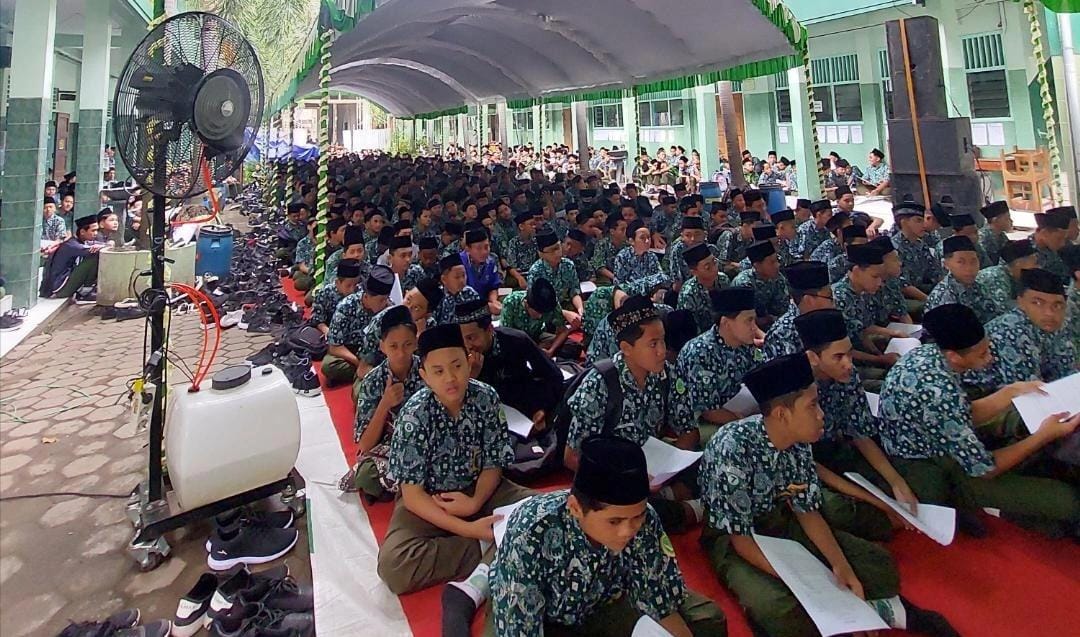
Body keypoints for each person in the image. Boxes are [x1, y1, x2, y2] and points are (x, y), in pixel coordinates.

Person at [698, 352, 956, 637]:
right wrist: (810, 582)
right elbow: (742, 541)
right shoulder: (731, 449)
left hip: (781, 521)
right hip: (734, 538)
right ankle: (878, 612)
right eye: (812, 405)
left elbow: (807, 511)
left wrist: (840, 566)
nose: (821, 414)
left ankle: (866, 611)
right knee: (777, 610)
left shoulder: (798, 441)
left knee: (878, 566)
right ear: (782, 414)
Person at [482, 436, 727, 637]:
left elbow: (659, 600)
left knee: (707, 619)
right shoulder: (531, 532)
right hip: (540, 617)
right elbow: (520, 626)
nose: (628, 531)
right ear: (576, 508)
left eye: (637, 516)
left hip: (603, 602)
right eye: (614, 521)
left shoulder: (646, 520)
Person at [878, 304, 1080, 539]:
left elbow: (961, 413)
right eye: (982, 354)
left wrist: (1011, 391)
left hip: (941, 438)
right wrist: (1044, 435)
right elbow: (985, 469)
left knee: (1020, 422)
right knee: (1068, 502)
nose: (990, 358)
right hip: (932, 461)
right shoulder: (938, 391)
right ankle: (976, 502)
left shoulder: (930, 355)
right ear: (954, 356)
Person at [377, 324, 534, 597]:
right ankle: (492, 545)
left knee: (546, 511)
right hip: (431, 499)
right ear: (425, 376)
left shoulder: (486, 397)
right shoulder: (414, 415)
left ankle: (496, 542)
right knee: (395, 566)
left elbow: (493, 462)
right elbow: (412, 496)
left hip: (483, 489)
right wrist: (470, 530)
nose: (450, 378)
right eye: (438, 371)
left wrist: (474, 502)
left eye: (457, 366)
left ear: (468, 361)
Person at [565, 295, 701, 533]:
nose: (662, 351)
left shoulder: (666, 374)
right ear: (626, 348)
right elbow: (572, 457)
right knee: (621, 515)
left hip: (655, 466)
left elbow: (689, 430)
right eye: (653, 344)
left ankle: (669, 498)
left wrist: (669, 467)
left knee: (713, 462)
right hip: (613, 475)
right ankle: (686, 508)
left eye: (663, 340)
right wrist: (631, 480)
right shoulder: (600, 384)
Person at [793, 309, 916, 541]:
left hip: (835, 447)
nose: (848, 364)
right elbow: (808, 463)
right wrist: (877, 502)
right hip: (803, 464)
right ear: (813, 358)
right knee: (837, 509)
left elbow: (859, 432)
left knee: (903, 482)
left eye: (849, 354)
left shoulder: (848, 377)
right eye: (838, 357)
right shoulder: (794, 390)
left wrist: (897, 483)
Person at [348, 305, 425, 502]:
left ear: (416, 343)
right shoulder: (373, 381)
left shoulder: (428, 370)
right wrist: (385, 403)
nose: (401, 353)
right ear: (382, 346)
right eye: (393, 346)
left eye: (407, 344)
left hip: (428, 442)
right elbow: (365, 445)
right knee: (366, 476)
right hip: (391, 447)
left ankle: (407, 488)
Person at [456, 298, 564, 435]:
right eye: (463, 339)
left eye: (471, 338)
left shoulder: (516, 340)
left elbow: (553, 376)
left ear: (489, 329)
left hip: (522, 408)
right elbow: (454, 404)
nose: (467, 345)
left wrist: (543, 408)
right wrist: (471, 378)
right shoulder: (457, 353)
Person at [962, 268, 1075, 396]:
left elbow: (1067, 372)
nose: (1049, 313)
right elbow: (1028, 393)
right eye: (1038, 303)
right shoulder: (1011, 332)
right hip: (983, 397)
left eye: (1057, 305)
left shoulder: (1056, 324)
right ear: (1021, 302)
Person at [675, 288, 760, 441]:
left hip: (743, 415)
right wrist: (745, 421)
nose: (754, 327)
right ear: (726, 323)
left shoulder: (746, 346)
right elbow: (708, 411)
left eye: (754, 320)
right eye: (749, 320)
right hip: (701, 424)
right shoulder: (700, 352)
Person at [832, 244, 910, 389]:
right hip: (845, 364)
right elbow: (844, 350)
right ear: (856, 271)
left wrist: (878, 351)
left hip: (861, 351)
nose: (879, 283)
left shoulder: (862, 292)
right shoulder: (839, 299)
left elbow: (863, 330)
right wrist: (880, 359)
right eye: (875, 277)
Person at [352, 278, 444, 400]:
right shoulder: (383, 320)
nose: (408, 308)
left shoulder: (430, 327)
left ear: (427, 314)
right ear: (406, 293)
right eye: (408, 299)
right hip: (380, 377)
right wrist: (386, 382)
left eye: (416, 308)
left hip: (416, 379)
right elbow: (363, 368)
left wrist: (419, 337)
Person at [323, 265, 395, 386]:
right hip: (350, 351)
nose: (385, 304)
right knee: (329, 365)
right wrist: (358, 362)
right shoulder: (346, 306)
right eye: (381, 300)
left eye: (386, 299)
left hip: (374, 354)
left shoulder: (389, 308)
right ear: (366, 295)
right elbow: (334, 346)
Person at [762, 261, 835, 361]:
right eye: (830, 297)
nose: (833, 304)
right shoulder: (782, 334)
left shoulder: (828, 321)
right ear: (809, 300)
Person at [922, 235, 995, 323]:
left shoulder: (978, 286)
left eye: (973, 261)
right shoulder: (945, 295)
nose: (969, 268)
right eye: (961, 262)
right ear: (946, 264)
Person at [39, 214, 102, 303]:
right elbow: (94, 250)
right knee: (94, 256)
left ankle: (86, 289)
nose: (96, 233)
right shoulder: (72, 245)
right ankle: (86, 291)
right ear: (82, 232)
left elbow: (99, 245)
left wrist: (104, 245)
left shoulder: (79, 241)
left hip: (64, 283)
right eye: (93, 230)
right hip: (60, 287)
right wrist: (103, 246)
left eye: (97, 230)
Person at [498, 279, 569, 356]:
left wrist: (551, 350)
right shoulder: (511, 302)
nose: (540, 316)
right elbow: (505, 336)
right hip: (515, 341)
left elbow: (563, 331)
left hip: (537, 335)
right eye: (537, 313)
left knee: (570, 345)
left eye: (543, 313)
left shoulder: (551, 302)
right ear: (526, 304)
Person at [528, 230, 584, 325]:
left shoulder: (568, 265)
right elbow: (536, 304)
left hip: (565, 304)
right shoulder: (536, 271)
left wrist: (580, 308)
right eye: (552, 250)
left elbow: (574, 292)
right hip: (546, 311)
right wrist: (564, 313)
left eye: (558, 247)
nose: (558, 253)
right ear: (541, 254)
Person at [731, 240, 790, 327]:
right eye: (772, 262)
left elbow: (783, 309)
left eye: (777, 260)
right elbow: (745, 320)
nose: (777, 265)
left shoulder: (778, 278)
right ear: (757, 266)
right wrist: (769, 319)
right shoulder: (744, 284)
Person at [976, 239, 1039, 320]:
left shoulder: (1014, 276)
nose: (1038, 267)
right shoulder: (996, 276)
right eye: (1035, 263)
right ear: (1018, 263)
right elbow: (1003, 310)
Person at [677, 243, 730, 334]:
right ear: (694, 272)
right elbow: (691, 329)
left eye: (714, 262)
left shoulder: (723, 279)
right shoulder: (688, 293)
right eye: (707, 267)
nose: (714, 268)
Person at [891, 202, 942, 295]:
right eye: (918, 221)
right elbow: (903, 285)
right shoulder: (894, 248)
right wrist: (928, 300)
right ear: (904, 223)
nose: (923, 225)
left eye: (923, 220)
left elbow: (933, 273)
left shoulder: (921, 244)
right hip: (905, 296)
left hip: (923, 289)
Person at [310, 259, 363, 335]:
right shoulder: (326, 293)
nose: (352, 290)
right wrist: (326, 331)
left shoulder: (360, 293)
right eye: (348, 286)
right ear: (338, 282)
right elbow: (317, 319)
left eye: (355, 285)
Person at [461, 228, 503, 315]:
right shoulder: (459, 264)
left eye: (486, 247)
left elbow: (493, 286)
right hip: (464, 308)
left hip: (485, 303)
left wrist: (493, 301)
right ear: (468, 249)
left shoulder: (491, 262)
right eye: (479, 248)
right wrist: (486, 307)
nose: (484, 252)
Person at [433, 254, 482, 324]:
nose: (462, 280)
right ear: (444, 279)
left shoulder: (470, 293)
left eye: (464, 275)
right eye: (457, 277)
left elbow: (480, 316)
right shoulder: (437, 296)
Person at [613, 221, 661, 286]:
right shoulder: (622, 257)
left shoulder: (652, 256)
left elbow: (660, 276)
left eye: (648, 237)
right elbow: (619, 283)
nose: (647, 241)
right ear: (632, 241)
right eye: (642, 238)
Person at [1032, 209, 1072, 286]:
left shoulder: (1054, 248)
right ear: (1044, 233)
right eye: (1059, 238)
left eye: (1064, 239)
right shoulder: (1027, 254)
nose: (1063, 244)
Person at [715, 211, 757, 277]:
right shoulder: (729, 235)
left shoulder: (752, 240)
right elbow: (722, 264)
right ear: (745, 225)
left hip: (741, 274)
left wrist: (738, 265)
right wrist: (740, 265)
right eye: (755, 228)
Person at [505, 209, 539, 288]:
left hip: (534, 273)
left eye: (534, 224)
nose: (534, 227)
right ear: (521, 226)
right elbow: (510, 267)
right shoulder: (513, 243)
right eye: (531, 224)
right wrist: (519, 278)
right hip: (519, 275)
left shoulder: (536, 241)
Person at [978, 201, 1012, 268]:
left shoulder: (1001, 236)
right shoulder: (982, 237)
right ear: (995, 220)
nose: (1011, 221)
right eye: (1007, 218)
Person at [290, 218, 317, 292]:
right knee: (298, 280)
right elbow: (302, 266)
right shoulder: (302, 243)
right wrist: (313, 273)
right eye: (316, 226)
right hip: (308, 271)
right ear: (309, 227)